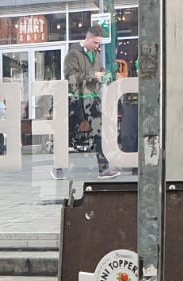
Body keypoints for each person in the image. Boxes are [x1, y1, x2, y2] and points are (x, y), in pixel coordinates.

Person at [52, 26, 115, 180]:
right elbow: (70, 77)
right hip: (76, 99)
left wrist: (104, 75)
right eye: (95, 42)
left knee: (98, 133)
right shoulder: (73, 54)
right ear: (87, 38)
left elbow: (99, 71)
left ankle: (104, 169)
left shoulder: (96, 54)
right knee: (69, 135)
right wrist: (92, 75)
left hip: (92, 98)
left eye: (99, 43)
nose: (97, 46)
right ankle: (57, 167)